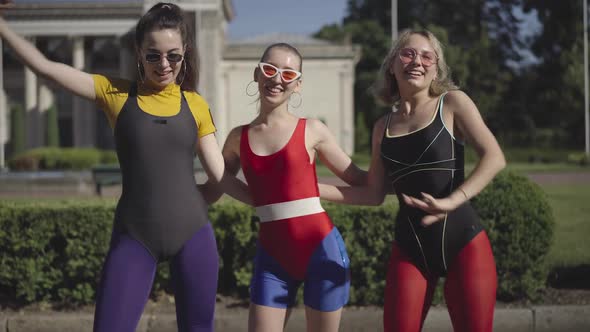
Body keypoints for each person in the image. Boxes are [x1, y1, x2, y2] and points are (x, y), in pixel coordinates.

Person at [0, 2, 250, 331]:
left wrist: (265, 198)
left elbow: (218, 176)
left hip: (193, 234)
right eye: (153, 55)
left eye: (173, 55)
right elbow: (45, 68)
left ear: (184, 53)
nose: (164, 64)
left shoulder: (196, 104)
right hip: (135, 236)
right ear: (138, 52)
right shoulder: (115, 93)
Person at [319, 29, 506, 332]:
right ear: (392, 65)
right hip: (410, 246)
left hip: (465, 242)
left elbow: (494, 157)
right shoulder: (383, 127)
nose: (417, 61)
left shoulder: (453, 104)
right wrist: (313, 190)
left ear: (436, 69)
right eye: (407, 53)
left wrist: (451, 201)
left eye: (427, 55)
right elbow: (373, 193)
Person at [203, 42, 367, 332]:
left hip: (322, 250)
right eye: (270, 69)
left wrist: (407, 181)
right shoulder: (237, 138)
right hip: (273, 258)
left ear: (298, 85)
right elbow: (216, 187)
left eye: (288, 74)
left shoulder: (313, 129)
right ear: (257, 74)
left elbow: (359, 179)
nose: (277, 79)